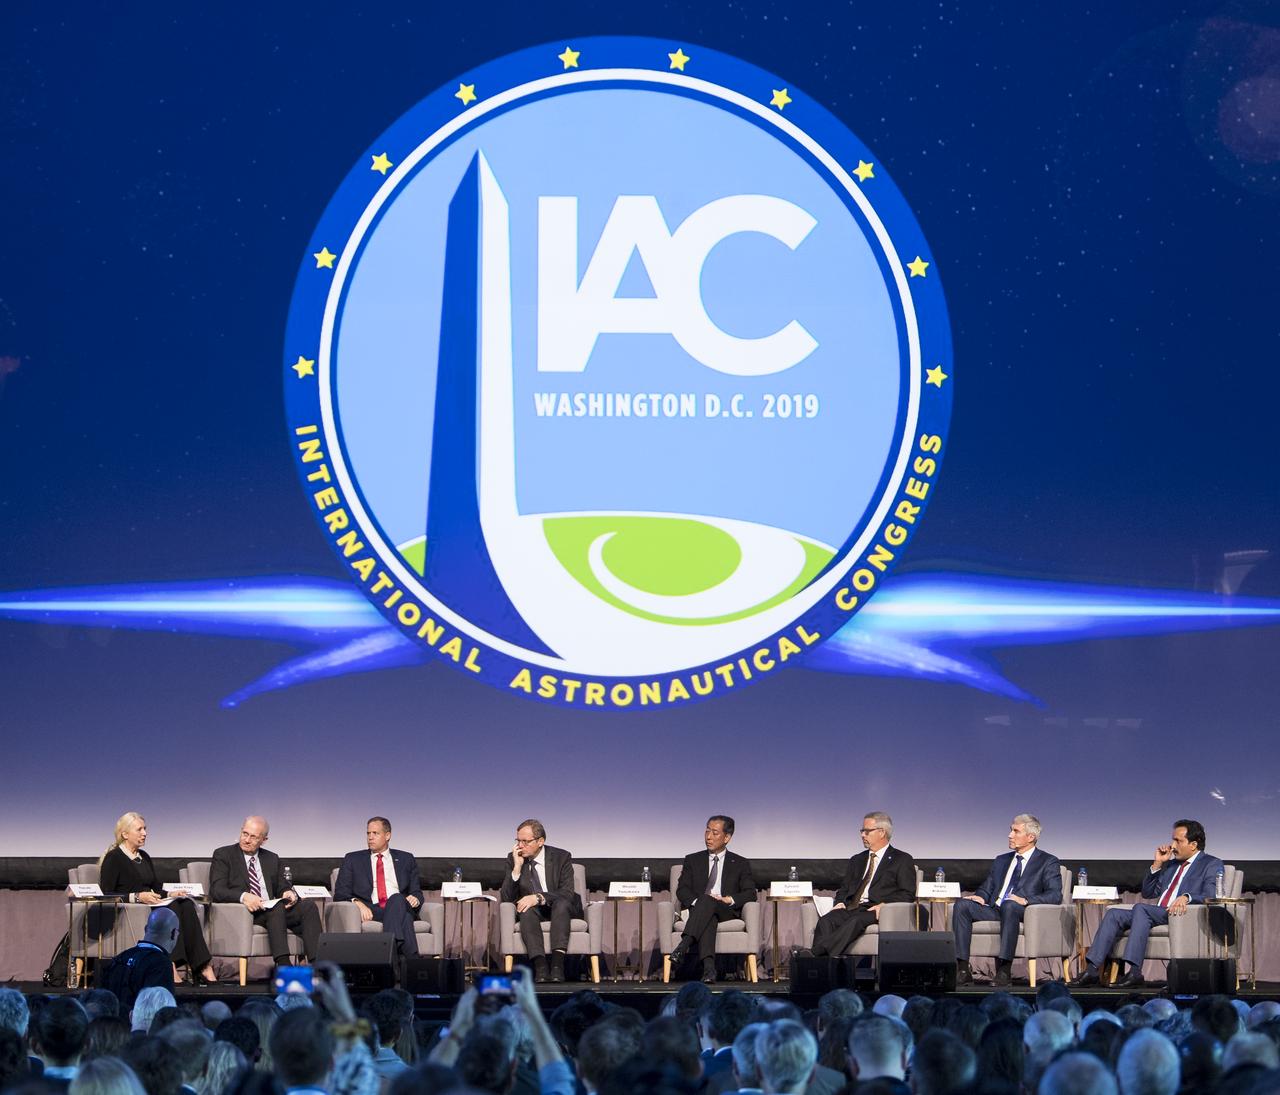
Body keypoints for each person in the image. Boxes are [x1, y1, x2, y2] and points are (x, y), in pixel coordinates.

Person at [1072, 819, 1223, 988]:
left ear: (1193, 844)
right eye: (1173, 840)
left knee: (1141, 909)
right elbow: (1149, 892)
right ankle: (1092, 970)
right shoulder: (1172, 865)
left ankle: (1135, 971)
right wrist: (1158, 863)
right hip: (1159, 912)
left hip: (1181, 914)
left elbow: (1212, 894)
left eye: (1178, 841)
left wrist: (1187, 897)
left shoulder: (1211, 863)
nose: (1172, 846)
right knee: (1114, 913)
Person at [98, 813, 217, 985]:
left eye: (145, 829)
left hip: (152, 904)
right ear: (125, 834)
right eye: (139, 829)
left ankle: (202, 966)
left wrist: (170, 894)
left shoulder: (143, 857)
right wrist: (137, 897)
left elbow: (155, 886)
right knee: (172, 910)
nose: (144, 833)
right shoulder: (114, 858)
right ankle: (170, 965)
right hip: (133, 909)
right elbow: (106, 892)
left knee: (185, 904)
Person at [952, 814, 1062, 987]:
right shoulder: (1002, 860)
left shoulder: (1047, 861)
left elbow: (1055, 895)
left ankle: (1004, 970)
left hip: (1023, 911)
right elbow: (987, 887)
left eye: (1016, 831)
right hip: (996, 909)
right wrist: (980, 896)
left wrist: (1026, 900)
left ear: (1031, 837)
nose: (1010, 835)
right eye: (1011, 830)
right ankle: (963, 969)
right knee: (962, 905)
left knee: (1010, 905)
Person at [209, 816, 321, 967]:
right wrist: (244, 897)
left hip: (273, 909)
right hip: (246, 911)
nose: (246, 840)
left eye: (253, 837)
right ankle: (283, 966)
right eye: (245, 833)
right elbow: (217, 890)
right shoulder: (224, 855)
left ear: (264, 839)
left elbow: (282, 886)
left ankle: (318, 966)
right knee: (276, 908)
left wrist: (288, 892)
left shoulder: (271, 858)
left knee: (308, 906)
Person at [805, 813, 915, 958]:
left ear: (882, 832)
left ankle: (815, 955)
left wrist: (884, 905)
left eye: (867, 831)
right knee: (827, 921)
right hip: (853, 907)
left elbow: (908, 893)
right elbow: (844, 888)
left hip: (875, 909)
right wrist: (840, 902)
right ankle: (824, 969)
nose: (863, 835)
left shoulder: (901, 859)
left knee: (855, 921)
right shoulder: (857, 859)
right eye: (862, 831)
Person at [668, 816, 757, 984]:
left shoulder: (740, 863)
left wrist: (728, 899)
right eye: (707, 830)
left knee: (709, 904)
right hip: (700, 910)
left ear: (727, 838)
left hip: (725, 910)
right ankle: (709, 970)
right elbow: (683, 889)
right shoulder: (693, 860)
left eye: (714, 832)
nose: (708, 836)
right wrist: (700, 903)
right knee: (708, 910)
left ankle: (683, 945)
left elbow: (750, 893)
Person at [499, 819, 583, 983]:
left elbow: (566, 892)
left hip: (561, 908)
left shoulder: (561, 857)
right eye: (518, 841)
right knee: (524, 908)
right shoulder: (514, 858)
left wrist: (538, 897)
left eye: (526, 841)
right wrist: (516, 868)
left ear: (540, 841)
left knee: (561, 903)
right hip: (535, 912)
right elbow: (507, 897)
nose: (520, 846)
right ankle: (541, 967)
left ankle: (558, 966)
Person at [333, 817, 423, 959]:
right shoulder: (352, 859)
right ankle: (411, 962)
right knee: (404, 918)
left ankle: (389, 953)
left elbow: (416, 891)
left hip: (400, 904)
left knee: (398, 898)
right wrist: (357, 903)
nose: (370, 837)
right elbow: (340, 893)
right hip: (372, 909)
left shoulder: (406, 859)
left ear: (388, 835)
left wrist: (415, 899)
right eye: (368, 833)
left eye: (375, 833)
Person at [103, 908, 182, 1011]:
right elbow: (161, 1013)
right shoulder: (161, 964)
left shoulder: (120, 958)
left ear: (145, 929)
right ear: (174, 934)